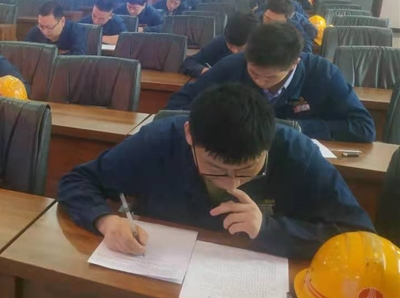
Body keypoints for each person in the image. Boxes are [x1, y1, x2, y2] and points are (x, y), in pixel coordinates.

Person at [58, 83, 374, 260]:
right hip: (160, 276)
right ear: (189, 135)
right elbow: (78, 180)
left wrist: (269, 228)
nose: (232, 183)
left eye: (248, 171)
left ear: (268, 145)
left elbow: (360, 238)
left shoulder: (297, 153)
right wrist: (105, 220)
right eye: (216, 171)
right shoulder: (158, 141)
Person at [166, 23, 376, 143]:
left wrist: (291, 128)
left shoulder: (324, 74)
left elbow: (363, 127)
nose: (259, 81)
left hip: (296, 157)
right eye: (253, 73)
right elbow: (179, 103)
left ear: (294, 63)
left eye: (269, 77)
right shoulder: (234, 64)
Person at [181, 13, 259, 78]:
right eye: (231, 46)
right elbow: (189, 62)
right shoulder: (222, 41)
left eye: (240, 48)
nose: (234, 51)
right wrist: (204, 71)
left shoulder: (261, 53)